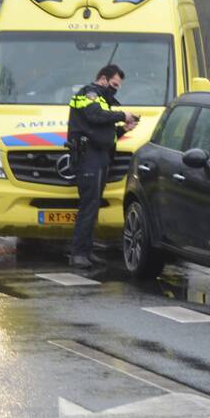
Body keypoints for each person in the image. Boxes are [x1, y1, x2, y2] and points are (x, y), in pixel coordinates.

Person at [67, 64, 139, 268]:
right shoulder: (89, 94)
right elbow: (94, 115)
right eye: (114, 84)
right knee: (88, 207)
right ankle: (78, 254)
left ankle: (87, 251)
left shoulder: (103, 100)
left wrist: (123, 129)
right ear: (103, 79)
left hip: (99, 157)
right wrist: (122, 115)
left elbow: (105, 134)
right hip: (88, 157)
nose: (115, 89)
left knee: (93, 207)